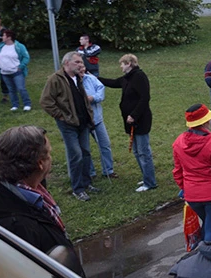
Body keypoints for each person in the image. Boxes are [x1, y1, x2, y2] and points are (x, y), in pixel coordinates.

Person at [0, 126, 85, 277]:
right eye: (49, 153)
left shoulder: (13, 190)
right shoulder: (17, 226)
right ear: (40, 163)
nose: (51, 157)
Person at [172, 103, 211, 244]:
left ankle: (203, 253)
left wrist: (185, 188)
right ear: (206, 121)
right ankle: (208, 255)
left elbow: (177, 171)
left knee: (208, 223)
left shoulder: (178, 142)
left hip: (192, 196)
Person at [40, 51, 98, 201]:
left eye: (81, 62)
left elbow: (83, 99)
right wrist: (61, 116)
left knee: (85, 153)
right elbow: (46, 101)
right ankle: (77, 189)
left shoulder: (78, 78)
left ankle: (86, 183)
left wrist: (89, 115)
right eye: (77, 62)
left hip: (83, 122)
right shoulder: (55, 80)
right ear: (66, 63)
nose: (81, 65)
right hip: (68, 124)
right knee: (76, 155)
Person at [100, 54, 157, 192]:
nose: (121, 66)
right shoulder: (127, 78)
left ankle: (150, 182)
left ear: (129, 63)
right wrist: (93, 78)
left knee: (143, 152)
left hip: (140, 120)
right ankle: (146, 177)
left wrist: (134, 115)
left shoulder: (139, 77)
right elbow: (113, 82)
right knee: (137, 151)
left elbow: (145, 98)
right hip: (131, 121)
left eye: (122, 64)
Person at [79, 64, 117, 179]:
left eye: (83, 67)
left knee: (105, 144)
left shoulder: (91, 79)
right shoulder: (71, 82)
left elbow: (101, 91)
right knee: (85, 148)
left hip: (96, 119)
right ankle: (90, 173)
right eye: (79, 68)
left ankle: (108, 170)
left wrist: (93, 98)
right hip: (82, 121)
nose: (82, 70)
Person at [0, 29, 30, 111]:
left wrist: (21, 67)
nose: (2, 37)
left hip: (16, 72)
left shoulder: (19, 46)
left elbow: (26, 57)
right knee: (11, 90)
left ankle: (27, 104)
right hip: (4, 72)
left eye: (4, 35)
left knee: (21, 88)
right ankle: (15, 105)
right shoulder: (1, 46)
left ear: (9, 37)